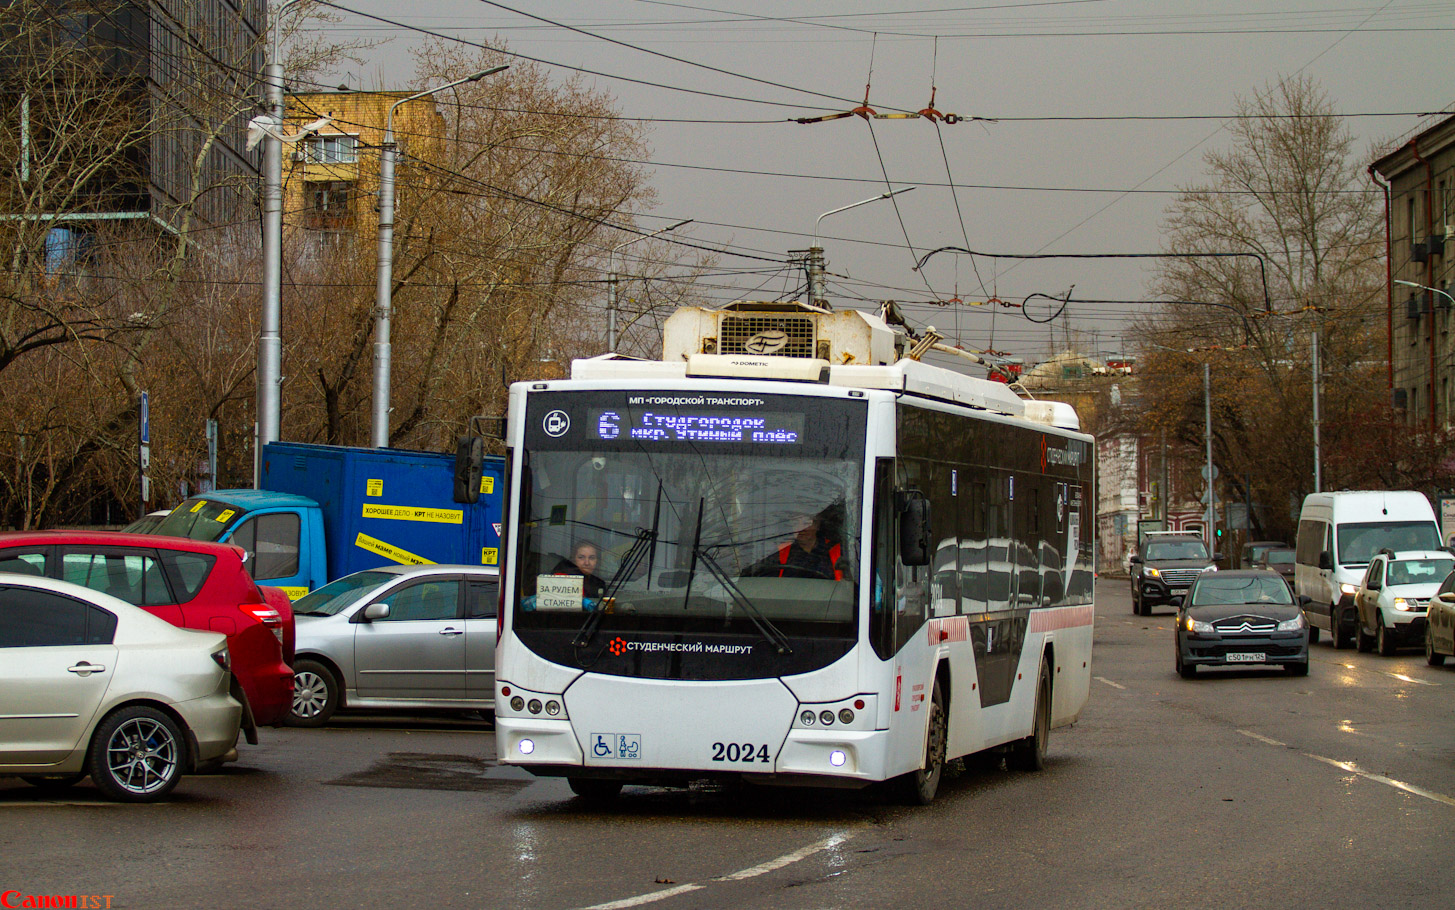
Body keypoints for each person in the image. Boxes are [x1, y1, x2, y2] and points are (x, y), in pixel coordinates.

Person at [748, 511, 846, 580]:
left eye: (806, 523)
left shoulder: (836, 550)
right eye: (796, 523)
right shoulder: (781, 551)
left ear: (817, 525)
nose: (801, 528)